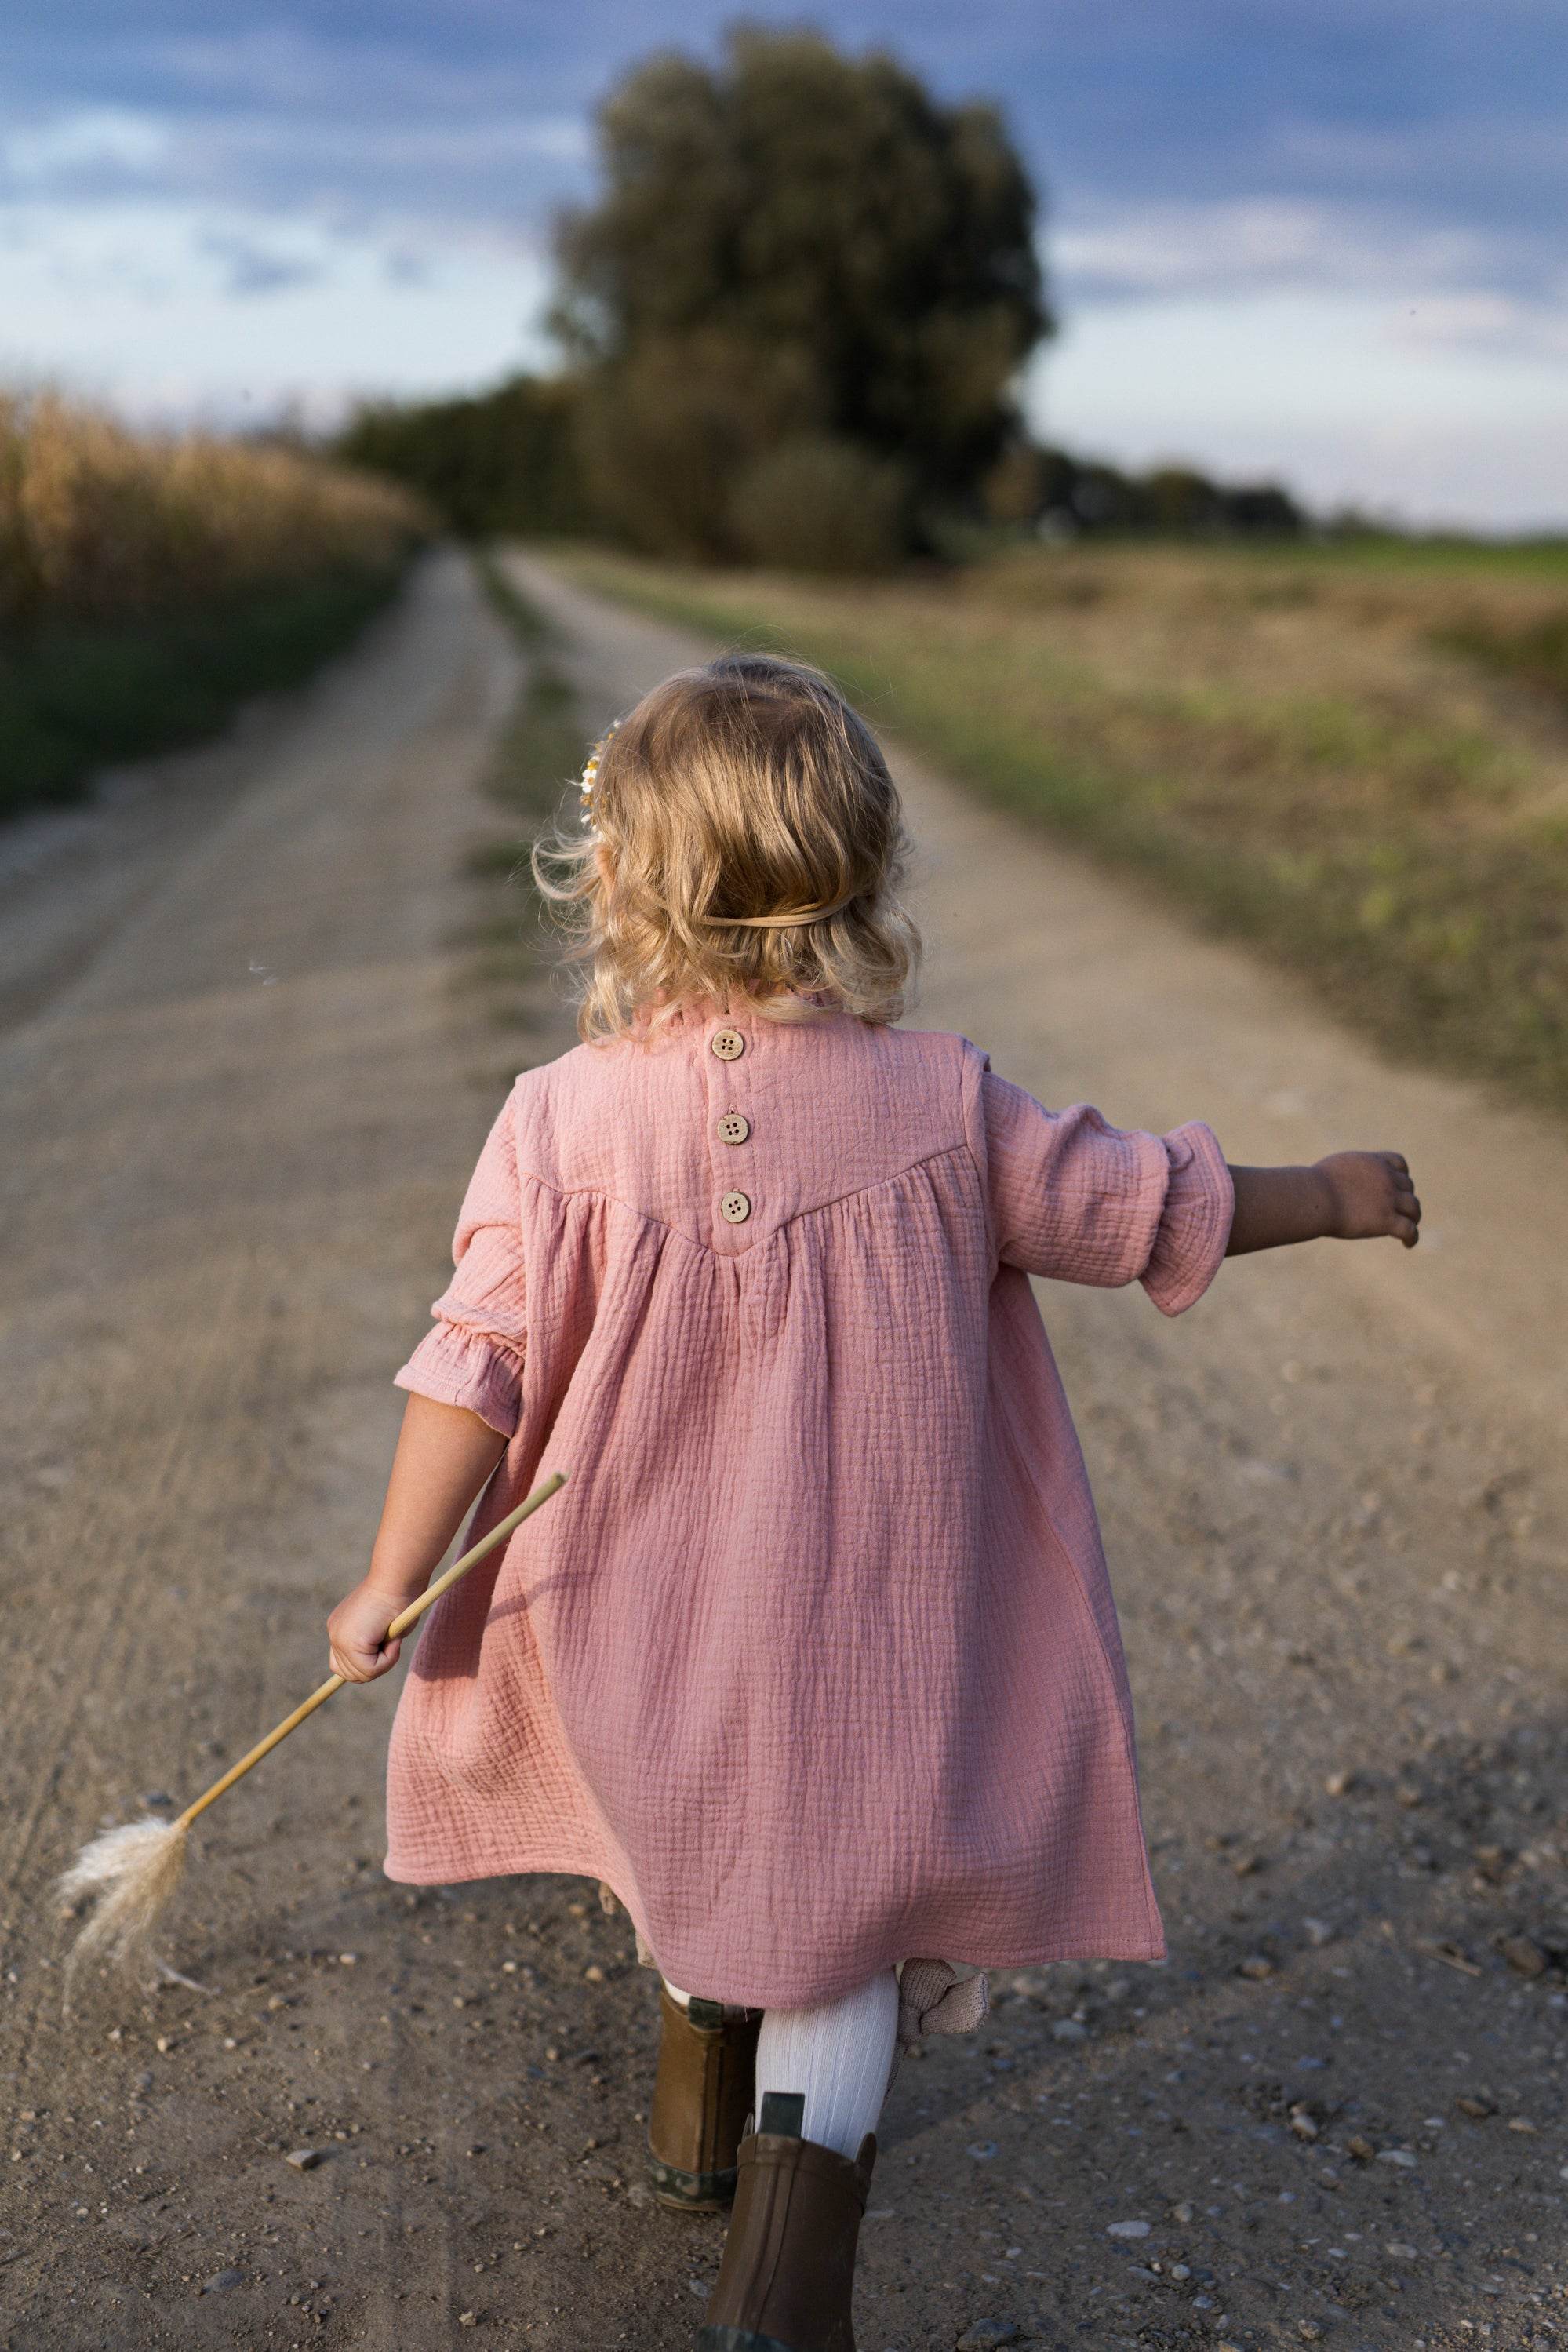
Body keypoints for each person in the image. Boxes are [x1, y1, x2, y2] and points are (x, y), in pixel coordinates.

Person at [326, 653, 1421, 2352]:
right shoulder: (942, 1106)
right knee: (843, 1923)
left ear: (617, 879)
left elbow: (467, 1358)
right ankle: (783, 2283)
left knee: (690, 1845)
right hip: (876, 1637)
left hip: (643, 1624)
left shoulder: (558, 1122)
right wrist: (1328, 1194)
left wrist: (389, 1574)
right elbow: (1142, 1204)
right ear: (862, 874)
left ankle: (704, 2133)